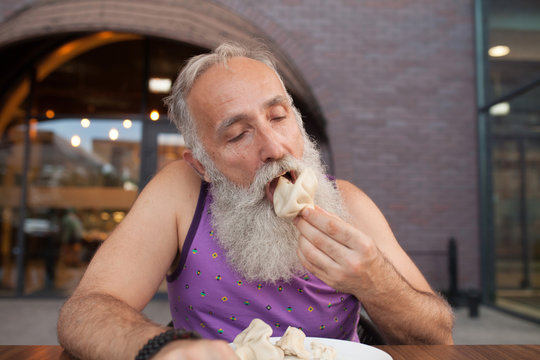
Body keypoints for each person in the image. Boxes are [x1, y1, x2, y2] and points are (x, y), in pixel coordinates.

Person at [57, 41, 454, 359]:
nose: (275, 148)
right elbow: (85, 311)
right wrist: (164, 347)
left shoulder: (347, 202)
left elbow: (438, 340)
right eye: (237, 135)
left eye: (279, 117)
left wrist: (373, 281)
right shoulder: (181, 192)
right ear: (203, 165)